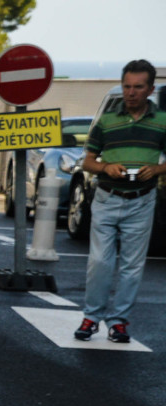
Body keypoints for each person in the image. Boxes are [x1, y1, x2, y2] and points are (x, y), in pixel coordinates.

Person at [74, 59, 166, 345]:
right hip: (107, 197)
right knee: (100, 261)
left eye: (138, 87)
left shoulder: (162, 122)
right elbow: (88, 161)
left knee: (132, 266)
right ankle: (91, 317)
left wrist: (159, 169)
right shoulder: (106, 121)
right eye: (127, 86)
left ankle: (119, 323)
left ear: (150, 89)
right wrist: (106, 167)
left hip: (142, 199)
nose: (131, 92)